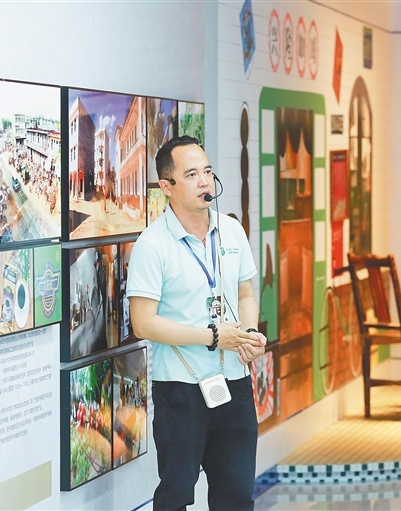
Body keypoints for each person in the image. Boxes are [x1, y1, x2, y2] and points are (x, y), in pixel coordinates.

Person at [127, 135, 266, 510]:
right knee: (175, 497)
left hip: (235, 384)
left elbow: (246, 294)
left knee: (236, 497)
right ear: (167, 186)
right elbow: (142, 323)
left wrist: (249, 334)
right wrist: (212, 337)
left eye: (207, 171)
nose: (204, 181)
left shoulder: (232, 231)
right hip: (181, 390)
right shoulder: (152, 244)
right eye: (191, 174)